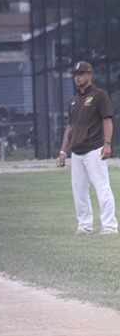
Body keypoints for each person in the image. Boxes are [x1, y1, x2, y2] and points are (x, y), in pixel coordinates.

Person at [57, 61, 117, 234]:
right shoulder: (74, 101)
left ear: (90, 75)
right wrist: (62, 151)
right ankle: (84, 225)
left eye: (81, 74)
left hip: (94, 148)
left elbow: (107, 120)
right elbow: (70, 128)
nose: (78, 77)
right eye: (75, 75)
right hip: (76, 151)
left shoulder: (99, 95)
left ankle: (109, 226)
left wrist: (107, 143)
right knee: (79, 191)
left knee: (102, 187)